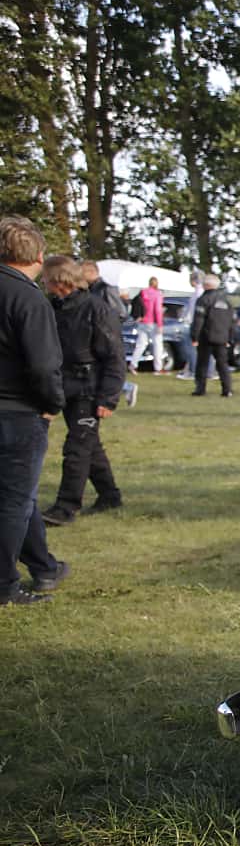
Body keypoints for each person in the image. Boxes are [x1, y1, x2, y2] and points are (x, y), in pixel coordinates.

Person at [0, 216, 69, 607]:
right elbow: (43, 365)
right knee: (13, 501)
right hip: (18, 411)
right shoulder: (27, 298)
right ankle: (5, 584)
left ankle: (44, 565)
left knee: (19, 497)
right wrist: (52, 403)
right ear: (39, 256)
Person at [39, 255, 124, 524]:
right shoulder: (53, 309)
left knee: (77, 447)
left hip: (90, 390)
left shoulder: (96, 309)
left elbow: (114, 356)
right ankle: (109, 496)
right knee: (90, 445)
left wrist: (108, 398)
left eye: (46, 278)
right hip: (66, 387)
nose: (42, 282)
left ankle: (66, 507)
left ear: (59, 280)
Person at [190, 272, 236, 397]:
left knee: (202, 364)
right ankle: (227, 389)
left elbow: (198, 320)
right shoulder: (226, 301)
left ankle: (200, 389)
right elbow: (232, 322)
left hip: (206, 337)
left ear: (205, 285)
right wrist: (230, 338)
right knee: (222, 364)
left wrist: (194, 336)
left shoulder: (203, 300)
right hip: (222, 338)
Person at [132, 275, 167, 371]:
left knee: (141, 344)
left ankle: (133, 364)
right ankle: (158, 367)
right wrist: (160, 324)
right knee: (157, 345)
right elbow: (157, 310)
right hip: (153, 323)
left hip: (142, 321)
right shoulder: (157, 294)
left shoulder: (142, 292)